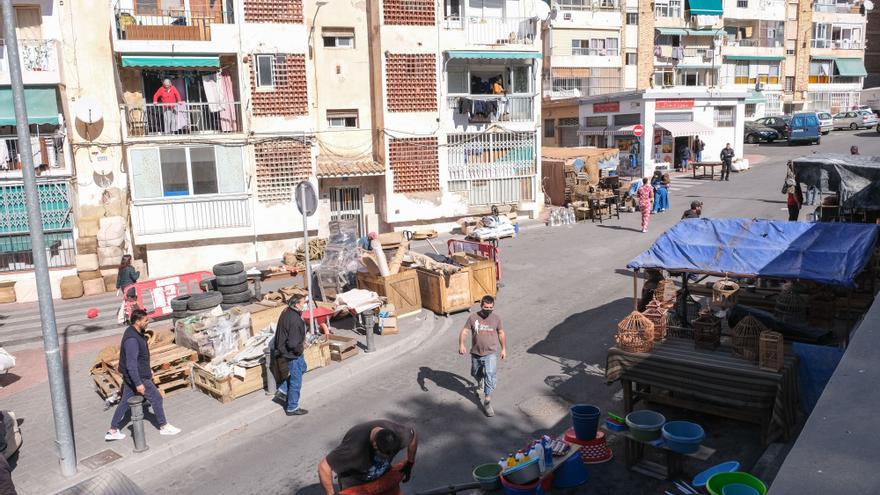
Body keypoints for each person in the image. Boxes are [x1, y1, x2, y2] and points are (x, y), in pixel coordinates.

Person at [106, 309, 181, 441]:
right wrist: (138, 383)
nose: (148, 322)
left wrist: (148, 369)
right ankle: (164, 426)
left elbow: (140, 358)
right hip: (138, 377)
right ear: (137, 321)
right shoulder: (132, 340)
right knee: (157, 398)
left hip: (135, 375)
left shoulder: (135, 332)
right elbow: (131, 364)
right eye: (145, 320)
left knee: (124, 401)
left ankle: (112, 430)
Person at [318, 420, 418, 495]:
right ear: (374, 444)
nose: (385, 458)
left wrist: (410, 462)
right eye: (382, 455)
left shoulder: (398, 433)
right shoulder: (353, 448)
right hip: (357, 486)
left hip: (383, 478)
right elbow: (324, 467)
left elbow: (413, 436)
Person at [458, 295, 506, 417]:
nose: (488, 309)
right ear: (481, 305)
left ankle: (487, 401)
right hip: (476, 353)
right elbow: (464, 331)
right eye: (486, 307)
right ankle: (480, 382)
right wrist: (462, 344)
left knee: (490, 374)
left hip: (490, 353)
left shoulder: (496, 319)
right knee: (475, 373)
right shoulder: (473, 317)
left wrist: (504, 349)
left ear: (493, 307)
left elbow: (501, 333)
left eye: (491, 308)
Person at [273, 294, 309, 416]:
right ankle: (292, 407)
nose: (305, 304)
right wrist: (302, 346)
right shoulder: (295, 320)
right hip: (292, 353)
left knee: (303, 367)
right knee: (296, 380)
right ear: (297, 304)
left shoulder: (287, 311)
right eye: (303, 302)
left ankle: (282, 390)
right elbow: (293, 343)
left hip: (288, 350)